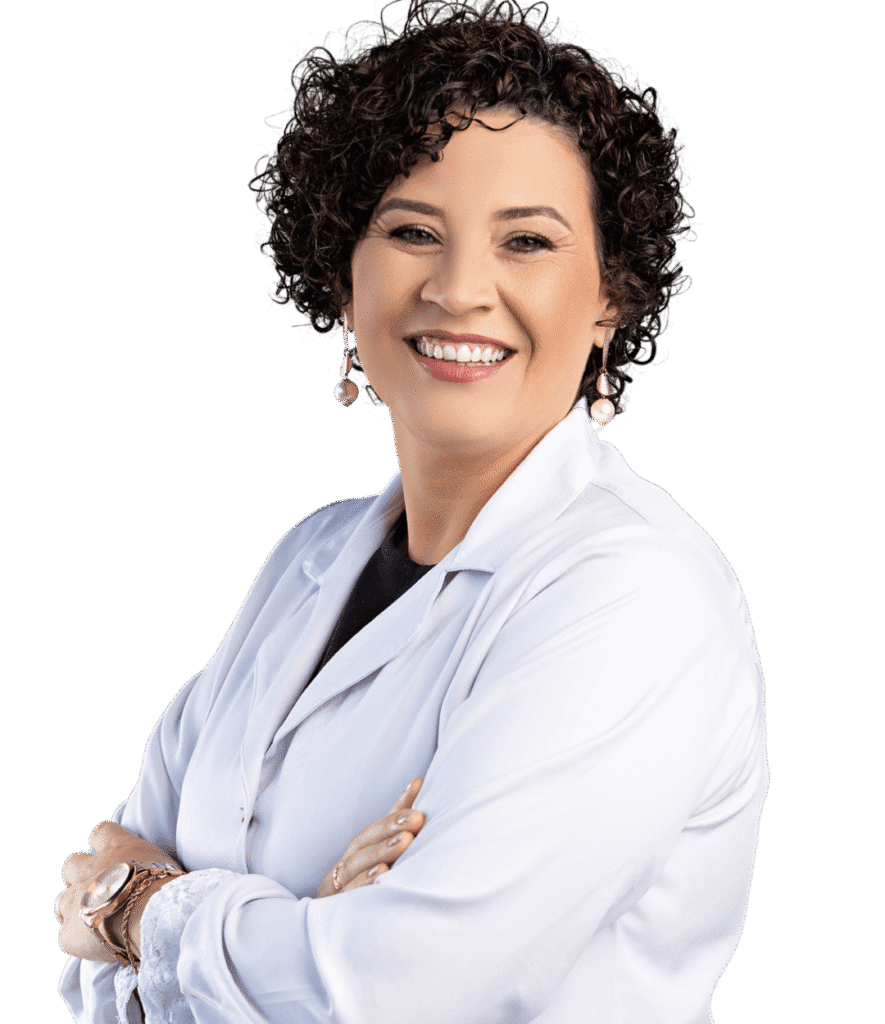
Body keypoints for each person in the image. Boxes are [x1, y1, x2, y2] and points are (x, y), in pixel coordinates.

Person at [55, 1, 769, 1021]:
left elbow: (404, 991)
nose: (461, 288)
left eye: (527, 241)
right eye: (410, 232)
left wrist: (148, 913)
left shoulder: (636, 595)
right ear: (342, 278)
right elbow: (88, 956)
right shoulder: (306, 561)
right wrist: (288, 929)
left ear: (610, 296)